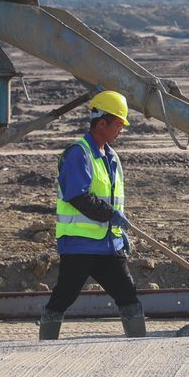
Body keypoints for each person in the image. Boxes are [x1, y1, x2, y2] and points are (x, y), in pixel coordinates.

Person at [39, 91, 145, 340]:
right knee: (64, 295)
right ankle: (45, 344)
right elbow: (78, 196)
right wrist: (111, 216)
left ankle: (139, 343)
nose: (121, 130)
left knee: (127, 294)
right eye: (118, 125)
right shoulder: (78, 153)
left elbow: (111, 197)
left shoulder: (111, 157)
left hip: (109, 245)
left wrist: (119, 231)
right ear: (101, 123)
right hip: (80, 244)